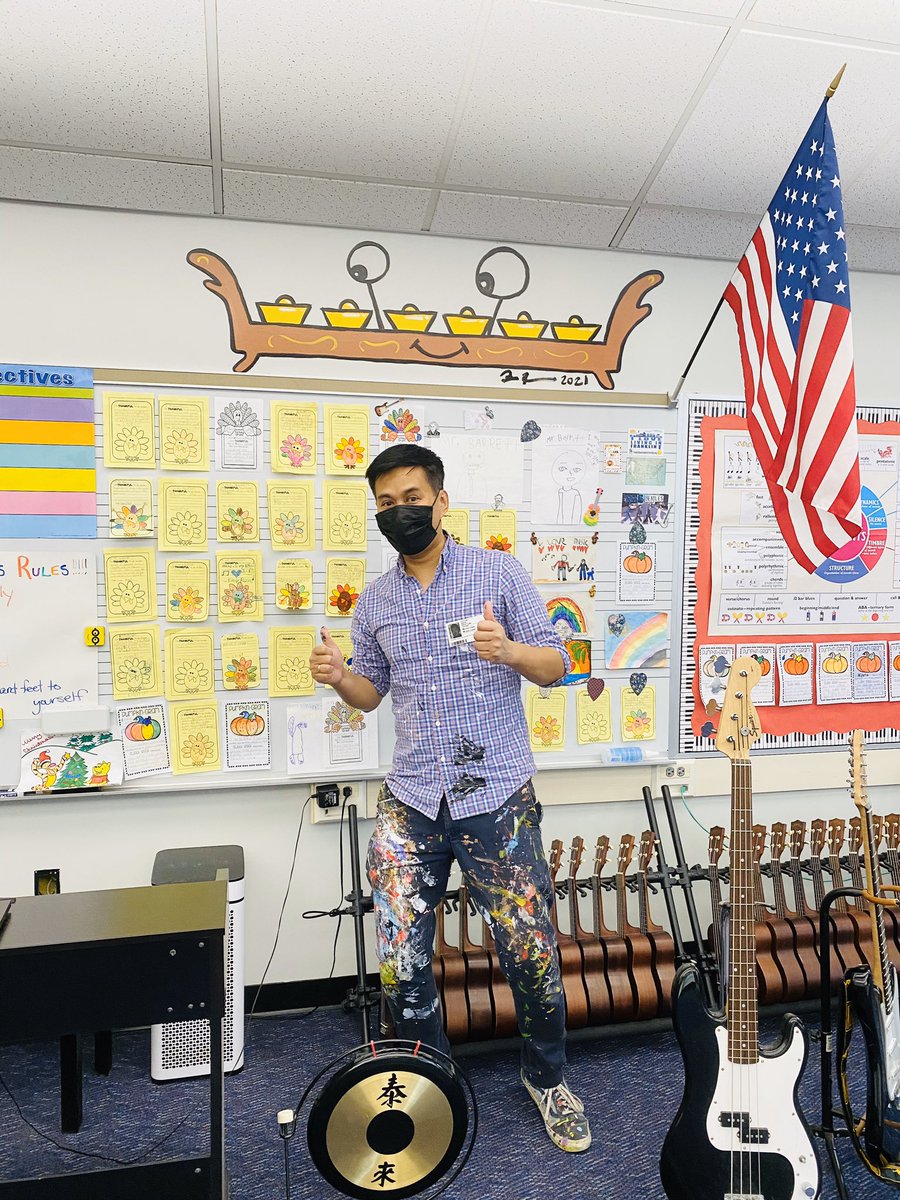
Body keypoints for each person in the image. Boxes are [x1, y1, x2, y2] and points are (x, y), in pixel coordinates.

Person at [308, 443, 592, 1153]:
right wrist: (339, 676)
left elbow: (561, 663)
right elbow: (370, 695)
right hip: (411, 803)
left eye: (409, 498)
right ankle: (431, 1078)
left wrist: (511, 653)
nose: (397, 512)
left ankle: (548, 1079)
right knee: (401, 958)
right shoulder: (376, 601)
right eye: (384, 504)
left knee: (528, 950)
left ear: (439, 501)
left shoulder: (498, 574)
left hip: (495, 797)